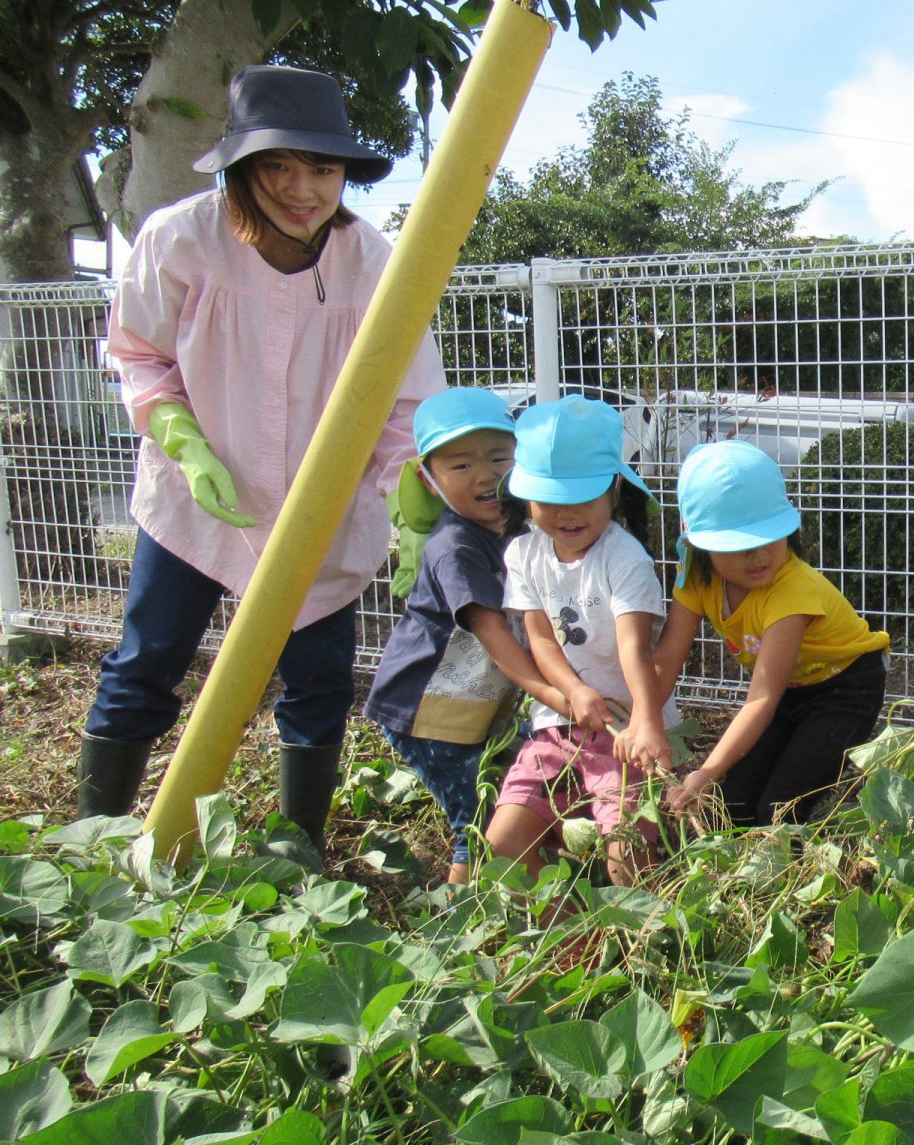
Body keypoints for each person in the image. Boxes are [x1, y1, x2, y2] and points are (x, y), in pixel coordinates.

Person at [78, 65, 445, 854]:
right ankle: (92, 841)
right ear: (241, 167)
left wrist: (413, 503)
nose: (301, 189)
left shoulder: (374, 263)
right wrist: (184, 443)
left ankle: (297, 853)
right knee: (147, 661)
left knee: (318, 682)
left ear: (345, 175)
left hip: (320, 518)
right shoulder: (180, 238)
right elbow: (138, 353)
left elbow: (404, 401)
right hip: (197, 507)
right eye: (278, 165)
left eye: (322, 168)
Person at [364, 389, 568, 885]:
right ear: (428, 479)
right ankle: (456, 921)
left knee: (518, 797)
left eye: (499, 457)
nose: (485, 474)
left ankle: (523, 891)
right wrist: (551, 695)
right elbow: (492, 632)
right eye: (460, 464)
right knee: (476, 823)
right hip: (428, 713)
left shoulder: (519, 531)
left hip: (474, 708)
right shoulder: (456, 548)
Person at [482, 397, 676, 885]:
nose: (566, 514)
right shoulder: (523, 554)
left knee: (625, 855)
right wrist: (572, 691)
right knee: (502, 846)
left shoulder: (624, 558)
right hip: (558, 727)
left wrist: (647, 723)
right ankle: (571, 930)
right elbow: (541, 640)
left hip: (627, 731)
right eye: (549, 500)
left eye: (582, 498)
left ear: (614, 488)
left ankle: (644, 930)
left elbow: (634, 647)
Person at [656, 440, 890, 826]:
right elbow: (666, 661)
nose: (759, 555)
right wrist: (644, 721)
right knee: (733, 806)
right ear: (697, 542)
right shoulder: (697, 578)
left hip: (844, 687)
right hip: (789, 689)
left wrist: (706, 772)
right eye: (740, 545)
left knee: (779, 809)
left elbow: (761, 700)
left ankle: (795, 859)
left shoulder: (791, 592)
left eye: (769, 538)